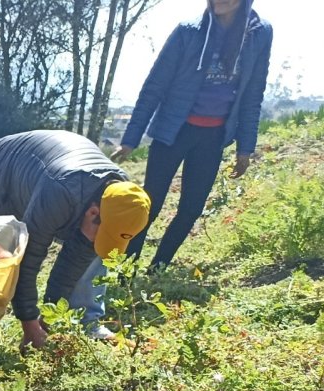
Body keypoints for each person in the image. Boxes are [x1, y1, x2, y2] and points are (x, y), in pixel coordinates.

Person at [112, 0, 272, 270]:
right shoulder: (188, 31)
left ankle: (158, 266)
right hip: (173, 131)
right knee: (148, 205)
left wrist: (245, 148)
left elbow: (252, 94)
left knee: (191, 209)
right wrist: (130, 139)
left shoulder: (259, 33)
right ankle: (124, 270)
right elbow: (154, 86)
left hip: (212, 138)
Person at [0, 130, 151, 349]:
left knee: (93, 251)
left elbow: (74, 260)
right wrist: (30, 327)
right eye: (103, 231)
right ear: (93, 213)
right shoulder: (60, 191)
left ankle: (87, 323)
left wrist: (47, 322)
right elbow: (28, 262)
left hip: (41, 185)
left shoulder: (122, 198)